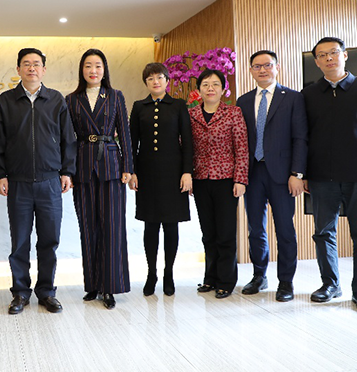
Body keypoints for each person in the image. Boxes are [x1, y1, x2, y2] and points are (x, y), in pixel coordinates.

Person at [302, 37, 357, 314]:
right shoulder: (308, 94)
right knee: (323, 233)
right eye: (322, 55)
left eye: (333, 52)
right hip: (320, 178)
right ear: (317, 61)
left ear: (345, 55)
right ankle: (330, 284)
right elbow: (302, 138)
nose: (329, 58)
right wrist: (302, 173)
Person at [0, 48, 76, 315]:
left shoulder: (56, 100)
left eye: (36, 64)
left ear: (44, 70)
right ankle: (20, 292)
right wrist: (1, 174)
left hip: (50, 182)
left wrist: (67, 171)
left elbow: (68, 139)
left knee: (49, 241)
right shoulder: (6, 100)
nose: (31, 68)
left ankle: (47, 292)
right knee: (19, 242)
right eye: (26, 64)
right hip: (18, 182)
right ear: (18, 69)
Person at [236, 51, 307, 302]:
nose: (262, 70)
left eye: (267, 65)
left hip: (283, 175)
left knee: (285, 229)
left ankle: (286, 282)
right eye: (257, 66)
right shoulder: (243, 101)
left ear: (277, 67)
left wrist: (297, 173)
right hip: (253, 173)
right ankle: (259, 275)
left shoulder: (293, 98)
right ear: (251, 70)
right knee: (255, 229)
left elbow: (300, 138)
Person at [65, 49, 133, 309]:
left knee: (112, 227)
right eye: (88, 66)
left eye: (97, 65)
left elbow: (124, 133)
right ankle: (93, 284)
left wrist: (128, 166)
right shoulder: (72, 99)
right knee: (88, 228)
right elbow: (68, 139)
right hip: (82, 167)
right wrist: (68, 171)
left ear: (104, 70)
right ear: (81, 70)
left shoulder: (116, 96)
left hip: (112, 166)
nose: (93, 70)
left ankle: (110, 286)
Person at [129, 62, 192, 297]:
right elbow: (132, 143)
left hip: (173, 174)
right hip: (146, 174)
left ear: (167, 80)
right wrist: (132, 171)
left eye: (159, 77)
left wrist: (187, 172)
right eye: (150, 79)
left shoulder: (178, 105)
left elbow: (187, 141)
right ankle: (151, 273)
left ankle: (169, 274)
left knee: (171, 225)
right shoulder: (139, 107)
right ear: (146, 83)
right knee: (151, 225)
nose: (155, 82)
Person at [189, 69, 249, 299]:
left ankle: (226, 280)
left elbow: (242, 148)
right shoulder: (191, 114)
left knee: (225, 233)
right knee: (208, 233)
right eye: (205, 84)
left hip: (226, 180)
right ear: (199, 90)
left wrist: (240, 179)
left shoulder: (233, 113)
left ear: (223, 89)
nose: (210, 88)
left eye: (215, 84)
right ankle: (210, 278)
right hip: (200, 180)